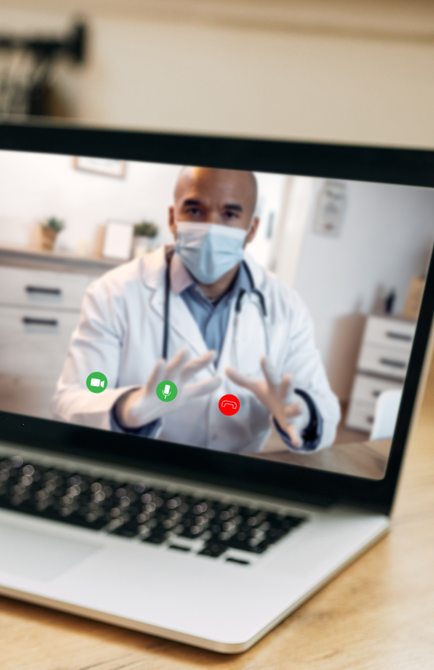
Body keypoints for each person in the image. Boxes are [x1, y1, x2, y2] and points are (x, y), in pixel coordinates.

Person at [52, 166, 340, 454]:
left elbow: (323, 405)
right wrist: (128, 409)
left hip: (237, 473)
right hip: (141, 464)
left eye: (229, 214)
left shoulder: (286, 306)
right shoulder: (112, 293)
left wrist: (300, 412)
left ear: (251, 229)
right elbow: (74, 396)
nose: (210, 228)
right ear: (172, 219)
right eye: (194, 210)